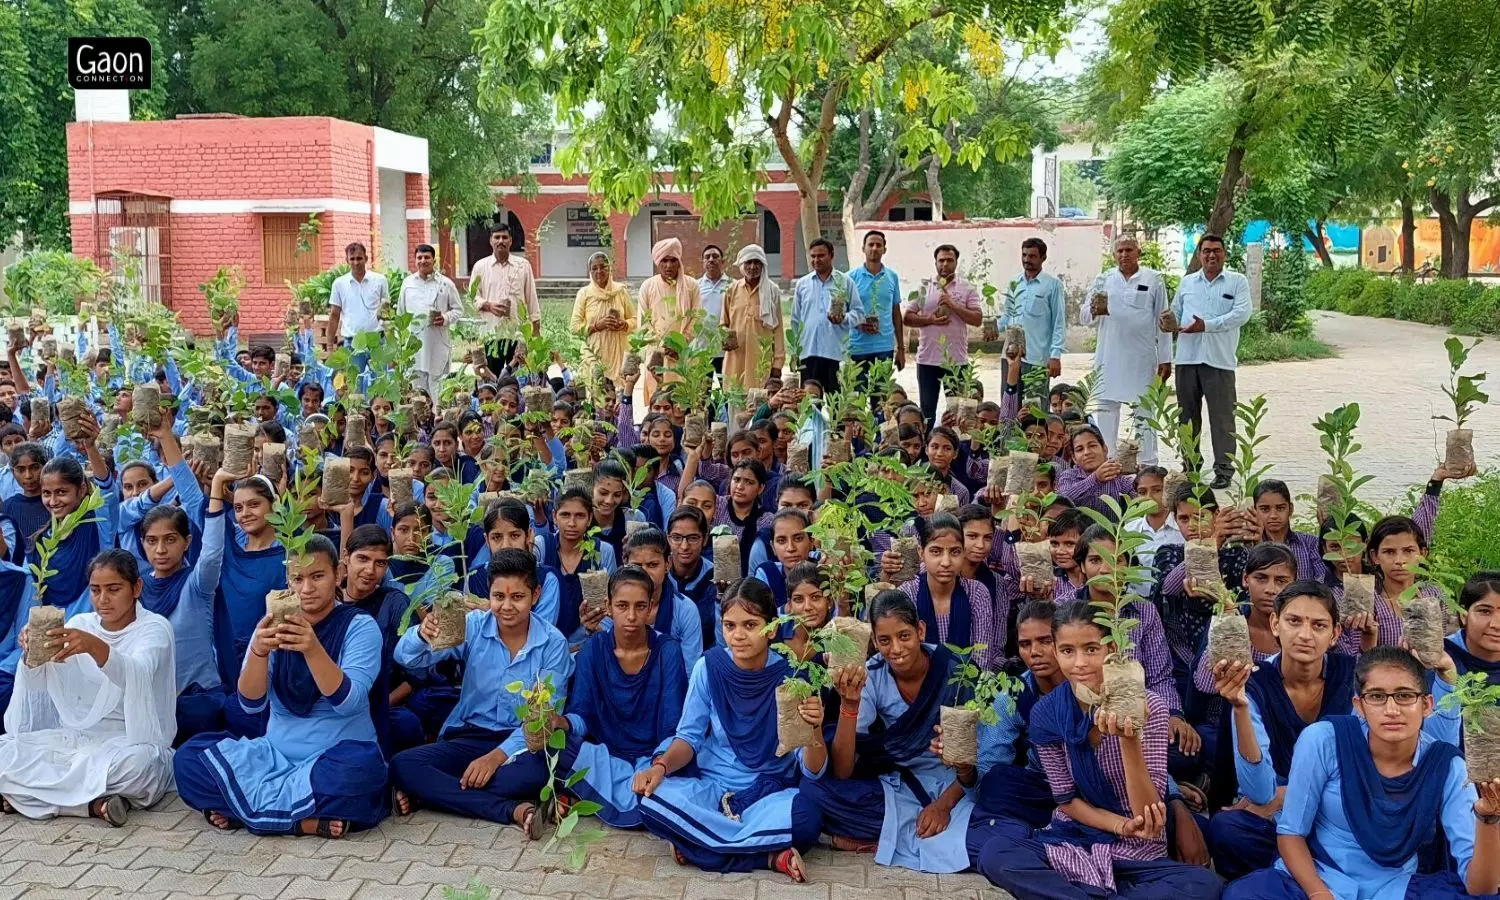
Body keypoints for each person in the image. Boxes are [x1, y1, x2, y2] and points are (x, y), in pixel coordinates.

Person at [976, 601, 1224, 900]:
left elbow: (1146, 816)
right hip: (1077, 835)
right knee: (996, 853)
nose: (1079, 663)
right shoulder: (1048, 713)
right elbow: (1066, 799)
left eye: (1091, 649)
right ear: (1056, 651)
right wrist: (1119, 825)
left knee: (1204, 885)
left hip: (1139, 846)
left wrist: (1128, 740)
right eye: (1068, 651)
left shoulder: (1150, 708)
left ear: (1112, 651)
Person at [1221, 647, 1500, 900]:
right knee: (1241, 895)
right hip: (1322, 874)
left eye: (1404, 696)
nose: (1392, 710)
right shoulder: (1324, 740)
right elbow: (1291, 833)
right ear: (1359, 706)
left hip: (1396, 886)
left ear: (1426, 705)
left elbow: (1481, 887)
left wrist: (1488, 819)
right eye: (1377, 697)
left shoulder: (1447, 765)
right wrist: (1319, 893)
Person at [174, 535, 388, 838]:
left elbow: (348, 702)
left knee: (361, 770)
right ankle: (302, 822)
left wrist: (312, 649)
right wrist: (259, 652)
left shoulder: (359, 626)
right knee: (187, 760)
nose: (306, 589)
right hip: (274, 756)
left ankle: (243, 811)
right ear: (287, 580)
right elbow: (250, 704)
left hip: (333, 758)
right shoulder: (273, 623)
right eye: (297, 579)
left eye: (317, 576)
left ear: (338, 574)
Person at [803, 590, 1012, 872]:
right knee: (815, 790)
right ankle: (897, 831)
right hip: (898, 785)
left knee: (997, 817)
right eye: (885, 641)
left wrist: (943, 806)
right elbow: (843, 770)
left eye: (904, 636)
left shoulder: (957, 671)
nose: (897, 650)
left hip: (955, 783)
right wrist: (849, 704)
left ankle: (885, 836)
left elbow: (983, 754)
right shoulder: (872, 675)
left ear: (921, 631)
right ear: (874, 642)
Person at [635, 578, 826, 881]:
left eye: (750, 625)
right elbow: (689, 737)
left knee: (808, 819)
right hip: (711, 787)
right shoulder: (708, 667)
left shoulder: (792, 678)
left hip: (767, 793)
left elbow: (812, 770)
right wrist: (660, 768)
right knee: (648, 799)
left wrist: (815, 730)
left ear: (772, 628)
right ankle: (768, 856)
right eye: (729, 625)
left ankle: (698, 845)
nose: (738, 636)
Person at [389, 548, 572, 834]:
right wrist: (421, 635)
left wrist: (496, 756)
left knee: (533, 774)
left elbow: (542, 719)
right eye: (499, 597)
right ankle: (513, 809)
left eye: (518, 597)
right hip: (469, 735)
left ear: (535, 595)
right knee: (403, 764)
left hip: (520, 744)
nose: (507, 606)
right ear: (489, 595)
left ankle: (436, 793)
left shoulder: (553, 643)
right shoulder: (472, 625)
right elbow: (407, 659)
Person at [0, 550, 176, 826]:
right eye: (95, 590)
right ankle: (93, 806)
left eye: (113, 589)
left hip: (128, 740)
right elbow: (41, 685)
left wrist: (96, 648)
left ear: (136, 588)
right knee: (4, 751)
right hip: (76, 737)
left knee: (142, 768)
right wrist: (31, 653)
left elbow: (138, 674)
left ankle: (26, 798)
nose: (103, 600)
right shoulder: (81, 623)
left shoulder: (155, 628)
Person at [1205, 580, 1354, 881]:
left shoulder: (1352, 679)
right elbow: (1260, 793)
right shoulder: (1255, 684)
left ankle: (1290, 872)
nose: (1305, 635)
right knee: (1226, 829)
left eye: (1319, 625)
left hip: (1336, 810)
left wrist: (1286, 794)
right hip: (1275, 817)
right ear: (1275, 624)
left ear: (1335, 634)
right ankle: (1309, 870)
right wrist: (1240, 707)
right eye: (1294, 621)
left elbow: (1361, 770)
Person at [553, 565, 689, 827]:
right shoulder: (594, 648)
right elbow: (583, 715)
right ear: (608, 606)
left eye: (640, 607)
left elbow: (672, 725)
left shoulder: (667, 650)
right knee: (551, 747)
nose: (631, 616)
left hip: (652, 757)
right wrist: (563, 723)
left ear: (651, 608)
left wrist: (656, 766)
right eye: (622, 606)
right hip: (604, 756)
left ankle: (584, 797)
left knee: (682, 776)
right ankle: (652, 812)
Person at [1168, 234, 1252, 490]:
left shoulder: (1237, 282)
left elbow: (1242, 314)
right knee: (1187, 417)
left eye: (1216, 250)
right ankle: (1191, 466)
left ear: (1224, 254)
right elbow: (1176, 312)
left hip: (1219, 361)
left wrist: (1207, 326)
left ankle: (1224, 471)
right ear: (1199, 254)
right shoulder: (1187, 283)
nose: (1211, 255)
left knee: (1223, 418)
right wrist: (1167, 321)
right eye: (1206, 251)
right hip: (1186, 359)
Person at [1082, 236, 1172, 464]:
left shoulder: (1154, 280)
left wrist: (1165, 358)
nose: (1124, 255)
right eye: (1120, 251)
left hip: (1142, 357)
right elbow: (1084, 318)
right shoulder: (1103, 280)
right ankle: (1107, 461)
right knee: (1106, 411)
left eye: (1129, 250)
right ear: (1114, 256)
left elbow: (1163, 321)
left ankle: (1148, 464)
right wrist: (1093, 310)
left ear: (1138, 253)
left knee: (1144, 411)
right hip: (1108, 357)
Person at [895, 513, 999, 671]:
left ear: (963, 552)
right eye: (936, 552)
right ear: (921, 552)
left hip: (966, 688)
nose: (946, 562)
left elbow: (982, 659)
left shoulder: (977, 593)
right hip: (919, 687)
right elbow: (903, 656)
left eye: (955, 552)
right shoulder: (907, 594)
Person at [903, 244, 983, 425]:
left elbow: (977, 319)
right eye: (941, 260)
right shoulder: (925, 287)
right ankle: (925, 451)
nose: (945, 264)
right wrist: (930, 320)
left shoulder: (967, 288)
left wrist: (953, 304)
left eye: (949, 260)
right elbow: (907, 317)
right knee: (927, 414)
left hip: (956, 362)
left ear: (956, 262)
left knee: (957, 416)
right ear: (935, 263)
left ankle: (957, 451)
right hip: (927, 361)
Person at [790, 239, 864, 391]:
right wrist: (795, 351)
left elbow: (859, 313)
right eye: (813, 256)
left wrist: (844, 318)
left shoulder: (845, 282)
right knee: (810, 404)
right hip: (808, 353)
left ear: (831, 255)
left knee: (836, 406)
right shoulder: (803, 284)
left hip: (835, 353)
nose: (816, 260)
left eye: (821, 255)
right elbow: (795, 320)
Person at [637, 237, 703, 402]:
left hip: (683, 355)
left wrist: (680, 344)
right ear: (658, 262)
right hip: (657, 356)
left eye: (673, 260)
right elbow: (644, 323)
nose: (668, 265)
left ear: (679, 261)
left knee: (682, 404)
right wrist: (661, 345)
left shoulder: (691, 286)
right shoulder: (647, 286)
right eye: (664, 260)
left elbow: (697, 319)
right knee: (658, 403)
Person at [470, 223, 541, 374]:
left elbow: (531, 297)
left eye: (504, 237)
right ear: (491, 241)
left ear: (510, 241)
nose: (500, 241)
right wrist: (488, 306)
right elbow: (473, 297)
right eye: (497, 237)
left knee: (517, 380)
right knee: (491, 378)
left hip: (516, 333)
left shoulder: (522, 266)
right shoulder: (480, 266)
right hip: (491, 333)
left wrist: (535, 330)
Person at [999, 237, 1066, 395]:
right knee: (1009, 406)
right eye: (1024, 255)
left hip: (1037, 359)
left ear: (1043, 258)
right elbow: (1007, 314)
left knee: (1034, 411)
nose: (1027, 260)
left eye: (1032, 256)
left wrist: (1055, 355)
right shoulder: (1015, 282)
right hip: (1011, 356)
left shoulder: (1052, 285)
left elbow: (1059, 322)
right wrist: (993, 328)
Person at [398, 243, 463, 401]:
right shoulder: (407, 284)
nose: (423, 261)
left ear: (434, 260)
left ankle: (438, 420)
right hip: (414, 346)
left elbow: (458, 310)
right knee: (418, 391)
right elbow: (400, 314)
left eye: (427, 257)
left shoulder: (445, 283)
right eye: (419, 258)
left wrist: (445, 318)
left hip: (437, 344)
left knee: (438, 389)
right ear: (415, 260)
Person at [720, 244, 785, 392]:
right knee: (734, 403)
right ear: (742, 265)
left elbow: (779, 330)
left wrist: (777, 365)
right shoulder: (732, 290)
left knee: (759, 406)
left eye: (757, 262)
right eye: (748, 262)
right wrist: (726, 337)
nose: (753, 266)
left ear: (763, 265)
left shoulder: (772, 291)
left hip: (760, 363)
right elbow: (723, 323)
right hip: (735, 362)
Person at [570, 251, 635, 382]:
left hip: (619, 353)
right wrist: (597, 326)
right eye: (594, 268)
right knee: (598, 395)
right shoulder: (584, 294)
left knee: (620, 395)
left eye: (603, 267)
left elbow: (635, 319)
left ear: (609, 269)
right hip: (595, 355)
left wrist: (624, 324)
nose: (599, 271)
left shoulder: (620, 291)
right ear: (590, 271)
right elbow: (574, 328)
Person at [847, 230, 905, 375]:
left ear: (884, 250)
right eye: (870, 244)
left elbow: (896, 313)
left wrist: (901, 349)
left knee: (880, 396)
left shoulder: (892, 277)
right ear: (863, 248)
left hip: (884, 348)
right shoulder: (850, 278)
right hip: (857, 347)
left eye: (878, 245)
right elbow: (841, 312)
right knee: (856, 395)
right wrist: (858, 323)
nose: (874, 248)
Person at [326, 242, 389, 361]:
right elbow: (334, 316)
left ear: (366, 258)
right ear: (347, 260)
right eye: (352, 259)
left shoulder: (380, 280)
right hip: (352, 343)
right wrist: (329, 348)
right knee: (354, 379)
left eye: (359, 258)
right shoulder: (339, 284)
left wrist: (391, 344)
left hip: (377, 341)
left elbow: (386, 312)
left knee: (380, 379)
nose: (356, 262)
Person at [698, 245, 732, 376]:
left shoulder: (733, 285)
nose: (711, 260)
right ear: (703, 262)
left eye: (715, 256)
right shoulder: (695, 287)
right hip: (703, 350)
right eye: (707, 257)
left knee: (727, 392)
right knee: (703, 393)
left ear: (723, 261)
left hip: (725, 351)